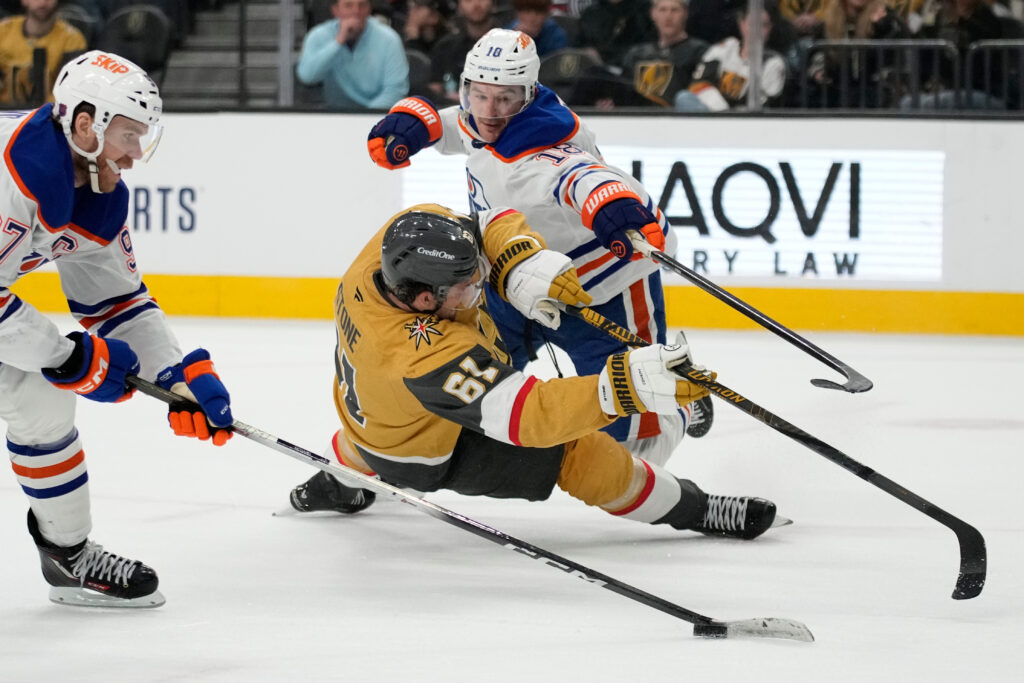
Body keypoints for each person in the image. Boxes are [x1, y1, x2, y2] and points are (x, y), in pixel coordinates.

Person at [288, 203, 778, 547]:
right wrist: (624, 387)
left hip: (375, 417)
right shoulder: (420, 356)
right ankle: (697, 509)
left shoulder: (393, 246)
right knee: (577, 452)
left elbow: (484, 221)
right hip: (425, 456)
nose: (477, 289)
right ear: (422, 300)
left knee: (384, 429)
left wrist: (517, 256)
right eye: (465, 287)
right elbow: (530, 417)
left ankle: (340, 482)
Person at [366, 28, 713, 468]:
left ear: (528, 95)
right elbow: (460, 126)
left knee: (632, 443)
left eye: (504, 99)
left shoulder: (544, 147)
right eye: (478, 94)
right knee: (468, 380)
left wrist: (612, 203)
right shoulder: (490, 117)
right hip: (513, 286)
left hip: (599, 293)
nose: (489, 111)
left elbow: (581, 176)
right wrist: (422, 122)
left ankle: (682, 410)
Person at [0, 50, 234, 608]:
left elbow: (116, 301)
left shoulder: (92, 185)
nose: (135, 155)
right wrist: (66, 356)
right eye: (129, 136)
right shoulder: (11, 175)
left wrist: (173, 375)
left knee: (41, 404)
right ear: (86, 124)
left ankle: (68, 556)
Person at [569, 0, 708, 108]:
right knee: (593, 75)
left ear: (685, 14)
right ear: (653, 14)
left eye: (674, 10)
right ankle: (571, 125)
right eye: (662, 10)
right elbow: (626, 85)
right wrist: (609, 102)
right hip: (637, 104)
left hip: (668, 106)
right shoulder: (638, 52)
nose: (668, 16)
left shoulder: (698, 50)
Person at [296, 0, 409, 109]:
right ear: (335, 10)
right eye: (348, 5)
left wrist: (364, 116)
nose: (356, 11)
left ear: (369, 9)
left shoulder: (389, 39)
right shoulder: (318, 35)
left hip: (376, 115)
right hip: (333, 113)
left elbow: (395, 91)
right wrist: (338, 42)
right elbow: (307, 76)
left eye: (362, 5)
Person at [676, 3, 789, 111]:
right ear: (741, 24)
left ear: (770, 28)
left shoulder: (773, 63)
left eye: (763, 25)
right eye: (752, 23)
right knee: (683, 97)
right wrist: (722, 109)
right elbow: (697, 85)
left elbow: (761, 107)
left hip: (744, 122)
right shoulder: (725, 48)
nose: (756, 30)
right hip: (710, 115)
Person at [0, 0, 86, 106]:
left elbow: (69, 88)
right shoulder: (3, 31)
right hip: (4, 110)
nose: (43, 3)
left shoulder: (72, 40)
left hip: (50, 111)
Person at [427, 0, 496, 105]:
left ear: (493, 3)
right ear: (459, 6)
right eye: (468, 0)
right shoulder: (444, 47)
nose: (476, 4)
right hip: (452, 108)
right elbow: (434, 90)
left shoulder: (511, 45)